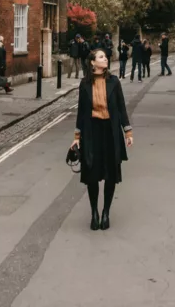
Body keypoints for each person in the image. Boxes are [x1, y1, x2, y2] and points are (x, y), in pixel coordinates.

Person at [71, 48, 133, 231]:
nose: (105, 59)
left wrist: (128, 132)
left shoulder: (114, 82)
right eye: (101, 57)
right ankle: (94, 213)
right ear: (92, 62)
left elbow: (121, 108)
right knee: (92, 174)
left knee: (110, 174)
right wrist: (76, 137)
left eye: (105, 56)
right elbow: (81, 113)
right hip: (92, 132)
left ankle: (106, 211)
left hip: (111, 131)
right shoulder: (84, 84)